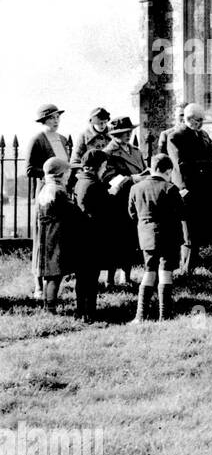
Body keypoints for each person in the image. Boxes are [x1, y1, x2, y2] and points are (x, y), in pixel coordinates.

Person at [168, 103, 212, 273]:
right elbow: (182, 165)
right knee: (192, 231)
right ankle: (188, 267)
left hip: (211, 187)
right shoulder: (176, 137)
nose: (202, 123)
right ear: (189, 119)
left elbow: (207, 151)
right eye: (199, 120)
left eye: (203, 119)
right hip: (193, 189)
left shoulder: (202, 134)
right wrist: (211, 163)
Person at [128, 154, 184, 322]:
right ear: (168, 171)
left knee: (149, 271)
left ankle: (140, 315)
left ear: (152, 168)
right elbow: (181, 213)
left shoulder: (136, 187)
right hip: (169, 236)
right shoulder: (170, 188)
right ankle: (164, 315)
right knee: (165, 272)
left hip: (146, 236)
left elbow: (132, 213)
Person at [102, 116, 147, 285]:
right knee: (116, 240)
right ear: (114, 135)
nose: (128, 135)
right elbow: (109, 179)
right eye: (123, 133)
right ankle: (110, 279)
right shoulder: (108, 153)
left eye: (129, 131)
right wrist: (131, 179)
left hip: (135, 199)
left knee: (130, 239)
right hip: (118, 201)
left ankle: (126, 277)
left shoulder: (136, 151)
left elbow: (142, 170)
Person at [34, 158, 80, 315]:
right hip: (56, 237)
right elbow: (71, 211)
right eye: (68, 173)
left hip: (46, 237)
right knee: (55, 275)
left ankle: (47, 305)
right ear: (60, 175)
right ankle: (51, 308)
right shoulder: (58, 191)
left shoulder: (45, 189)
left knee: (49, 275)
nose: (69, 175)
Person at [72, 151, 114, 320]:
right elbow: (102, 209)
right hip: (92, 236)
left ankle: (81, 310)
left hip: (82, 235)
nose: (105, 169)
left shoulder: (82, 180)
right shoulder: (94, 184)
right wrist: (112, 195)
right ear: (98, 166)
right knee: (90, 277)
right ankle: (89, 312)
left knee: (82, 277)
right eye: (104, 165)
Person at [26, 104, 72, 180]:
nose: (56, 121)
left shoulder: (63, 139)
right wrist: (53, 173)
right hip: (47, 186)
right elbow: (29, 170)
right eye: (51, 118)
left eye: (57, 117)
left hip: (64, 185)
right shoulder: (37, 140)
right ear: (43, 121)